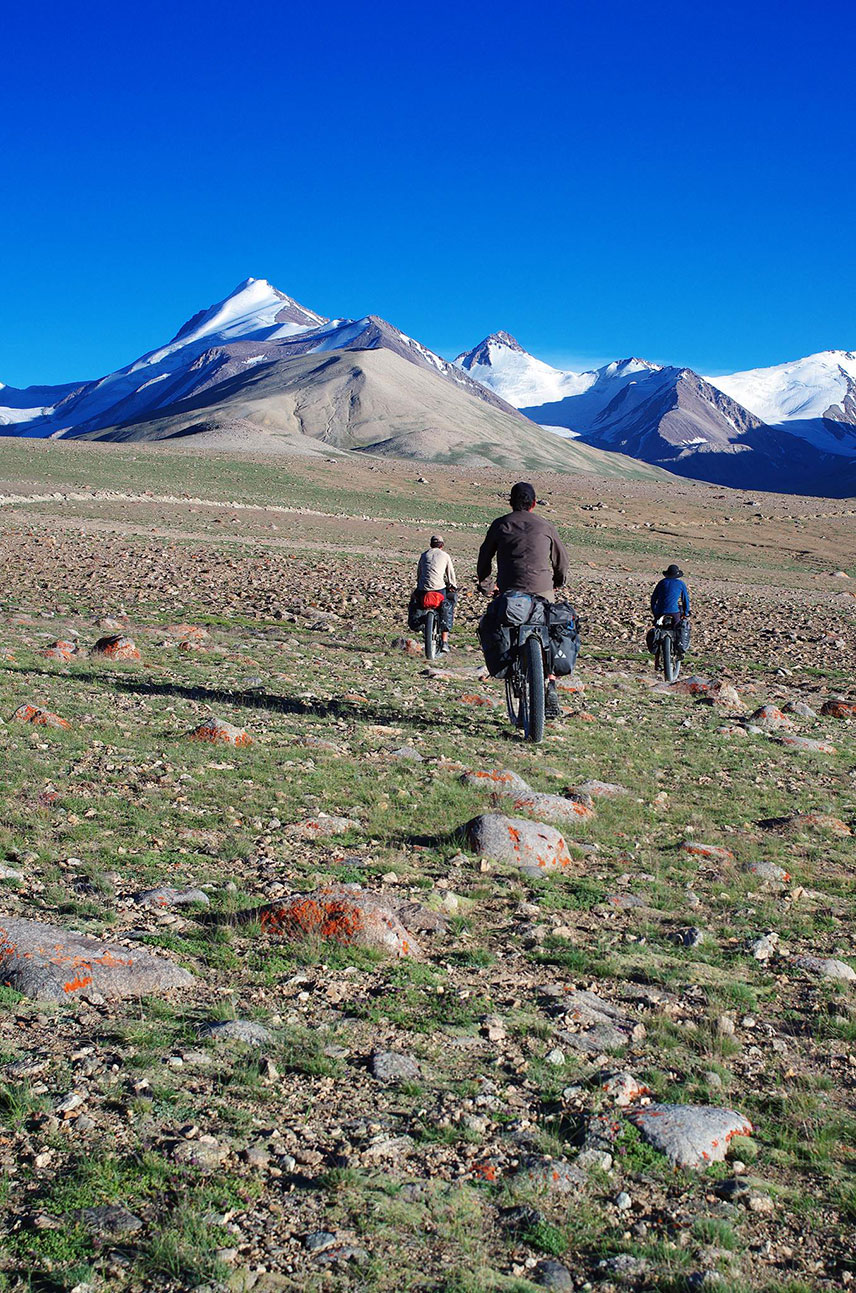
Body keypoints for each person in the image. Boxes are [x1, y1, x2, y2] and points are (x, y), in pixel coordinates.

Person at [477, 481, 570, 716]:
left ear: (510, 502)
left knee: (494, 624)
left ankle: (507, 668)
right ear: (534, 504)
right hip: (543, 591)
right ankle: (550, 682)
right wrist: (556, 583)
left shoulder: (500, 524)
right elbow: (562, 561)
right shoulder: (546, 526)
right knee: (551, 631)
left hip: (510, 592)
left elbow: (484, 557)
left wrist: (487, 585)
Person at [416, 534, 457, 652]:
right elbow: (450, 574)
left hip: (423, 589)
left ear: (431, 544)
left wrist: (419, 584)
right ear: (442, 545)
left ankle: (424, 628)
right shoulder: (445, 555)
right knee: (446, 608)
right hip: (438, 588)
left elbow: (419, 573)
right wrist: (453, 585)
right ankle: (444, 642)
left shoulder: (424, 555)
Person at [650, 563, 691, 656]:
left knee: (657, 628)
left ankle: (657, 651)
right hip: (674, 611)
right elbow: (685, 599)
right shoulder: (680, 584)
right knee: (678, 628)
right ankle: (679, 650)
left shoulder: (661, 583)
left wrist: (655, 613)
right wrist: (686, 612)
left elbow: (653, 599)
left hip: (660, 611)